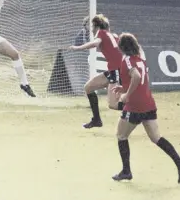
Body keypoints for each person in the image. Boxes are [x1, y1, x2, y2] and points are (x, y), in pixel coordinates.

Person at [112, 33, 180, 183]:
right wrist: (123, 88)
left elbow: (135, 77)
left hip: (135, 106)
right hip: (149, 103)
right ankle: (179, 163)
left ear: (122, 47)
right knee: (157, 138)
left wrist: (126, 95)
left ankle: (126, 171)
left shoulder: (128, 60)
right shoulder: (141, 58)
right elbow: (140, 81)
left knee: (121, 135)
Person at [69, 14, 122, 129]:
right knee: (88, 87)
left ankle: (137, 109)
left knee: (113, 105)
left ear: (97, 26)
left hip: (116, 70)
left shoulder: (101, 33)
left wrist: (78, 48)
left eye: (92, 26)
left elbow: (95, 43)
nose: (91, 29)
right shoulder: (112, 35)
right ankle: (97, 120)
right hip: (115, 69)